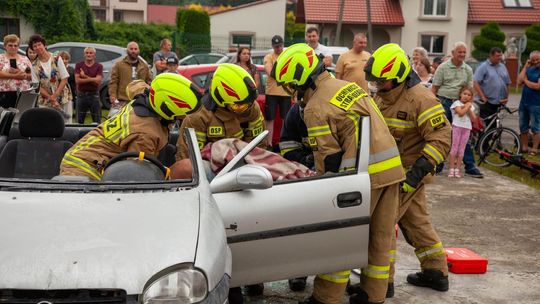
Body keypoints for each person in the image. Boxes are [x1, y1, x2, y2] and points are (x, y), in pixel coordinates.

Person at [273, 43, 404, 304]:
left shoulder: (315, 108)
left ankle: (326, 297)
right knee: (380, 237)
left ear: (300, 80)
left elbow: (328, 160)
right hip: (391, 170)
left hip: (361, 178)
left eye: (291, 84)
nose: (291, 91)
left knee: (339, 239)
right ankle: (373, 295)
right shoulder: (349, 86)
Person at [361, 43, 451, 302]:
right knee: (416, 222)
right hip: (389, 172)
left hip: (405, 176)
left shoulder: (421, 99)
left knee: (383, 226)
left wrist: (415, 175)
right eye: (375, 81)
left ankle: (382, 282)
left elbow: (442, 138)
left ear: (399, 77)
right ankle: (435, 271)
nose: (378, 86)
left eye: (382, 81)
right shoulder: (384, 93)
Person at [59, 73, 201, 181]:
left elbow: (134, 85)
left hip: (83, 154)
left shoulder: (148, 96)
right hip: (84, 168)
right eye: (181, 115)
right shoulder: (146, 134)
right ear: (167, 110)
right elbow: (136, 173)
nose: (183, 118)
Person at [171, 63, 266, 178]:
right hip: (208, 171)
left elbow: (258, 146)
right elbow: (187, 159)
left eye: (248, 104)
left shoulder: (250, 107)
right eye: (238, 106)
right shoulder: (198, 116)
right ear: (220, 97)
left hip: (243, 167)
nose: (244, 109)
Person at [432, 41, 483, 178]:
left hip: (461, 105)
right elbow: (434, 89)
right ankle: (438, 165)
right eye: (459, 52)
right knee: (443, 134)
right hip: (445, 102)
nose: (462, 54)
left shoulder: (467, 69)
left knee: (463, 136)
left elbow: (470, 90)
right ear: (453, 53)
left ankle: (470, 166)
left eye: (464, 52)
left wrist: (467, 106)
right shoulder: (443, 67)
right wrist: (433, 106)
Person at [29, 34, 72, 123]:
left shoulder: (56, 58)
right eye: (35, 46)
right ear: (33, 49)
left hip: (63, 96)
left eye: (39, 44)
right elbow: (37, 86)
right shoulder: (33, 65)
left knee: (66, 124)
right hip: (45, 100)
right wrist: (51, 98)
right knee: (48, 125)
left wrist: (55, 95)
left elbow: (64, 79)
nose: (38, 47)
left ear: (44, 45)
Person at [108, 41, 151, 117]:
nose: (133, 51)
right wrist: (112, 95)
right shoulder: (119, 65)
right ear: (127, 50)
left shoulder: (144, 66)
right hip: (123, 100)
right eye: (131, 49)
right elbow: (113, 82)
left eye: (135, 49)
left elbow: (149, 82)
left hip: (140, 100)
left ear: (138, 51)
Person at [263, 35, 292, 147]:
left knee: (286, 119)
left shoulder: (287, 56)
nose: (278, 48)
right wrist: (283, 73)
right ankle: (269, 143)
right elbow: (269, 71)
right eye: (276, 46)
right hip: (271, 93)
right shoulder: (269, 57)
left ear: (283, 45)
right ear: (272, 46)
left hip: (286, 92)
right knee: (270, 119)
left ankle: (283, 143)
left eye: (279, 46)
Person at [473, 47, 511, 122]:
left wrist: (507, 97)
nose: (500, 58)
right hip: (488, 102)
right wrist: (482, 97)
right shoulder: (483, 66)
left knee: (497, 124)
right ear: (491, 55)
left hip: (500, 102)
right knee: (487, 125)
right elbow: (476, 82)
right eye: (497, 56)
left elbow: (507, 83)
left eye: (501, 55)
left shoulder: (502, 66)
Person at [449, 86, 476, 177]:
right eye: (464, 94)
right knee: (455, 147)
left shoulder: (470, 106)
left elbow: (474, 119)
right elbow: (460, 113)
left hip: (466, 128)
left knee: (462, 149)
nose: (466, 96)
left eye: (469, 95)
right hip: (457, 127)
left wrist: (469, 107)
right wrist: (467, 106)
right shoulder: (456, 103)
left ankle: (458, 169)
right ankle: (452, 168)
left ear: (471, 97)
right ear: (460, 94)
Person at [517, 50, 540, 156]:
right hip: (524, 103)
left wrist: (526, 81)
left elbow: (537, 86)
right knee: (523, 126)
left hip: (536, 104)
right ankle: (525, 147)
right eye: (533, 60)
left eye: (538, 59)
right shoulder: (529, 69)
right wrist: (525, 66)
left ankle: (534, 149)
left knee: (536, 127)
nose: (536, 62)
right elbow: (519, 81)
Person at [0, 34, 32, 108]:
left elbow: (32, 76)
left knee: (22, 116)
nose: (13, 47)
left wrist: (24, 75)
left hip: (23, 92)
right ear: (5, 46)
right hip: (5, 93)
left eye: (15, 45)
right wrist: (15, 75)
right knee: (6, 117)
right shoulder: (0, 58)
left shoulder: (25, 59)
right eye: (10, 45)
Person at [75, 47, 103, 124]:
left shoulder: (99, 66)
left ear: (94, 55)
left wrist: (84, 76)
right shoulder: (79, 65)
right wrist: (93, 79)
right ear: (84, 55)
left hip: (94, 96)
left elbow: (98, 82)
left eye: (91, 53)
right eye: (87, 53)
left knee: (97, 121)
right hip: (81, 95)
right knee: (79, 121)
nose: (89, 54)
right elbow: (77, 81)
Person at [58, 51, 75, 121]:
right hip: (57, 93)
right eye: (62, 59)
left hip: (67, 94)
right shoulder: (55, 68)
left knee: (68, 114)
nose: (64, 61)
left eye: (66, 59)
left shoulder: (71, 69)